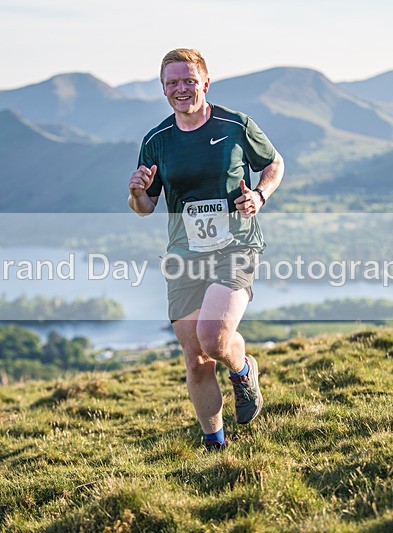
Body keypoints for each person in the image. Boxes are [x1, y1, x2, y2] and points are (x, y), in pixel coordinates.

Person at [128, 48, 284, 451]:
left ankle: (242, 369)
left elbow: (274, 163)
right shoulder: (156, 141)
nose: (182, 89)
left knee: (213, 336)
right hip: (185, 253)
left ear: (206, 82)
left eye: (189, 80)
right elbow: (146, 208)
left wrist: (260, 196)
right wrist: (137, 194)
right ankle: (215, 444)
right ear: (163, 89)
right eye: (173, 82)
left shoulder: (235, 125)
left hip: (236, 244)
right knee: (195, 354)